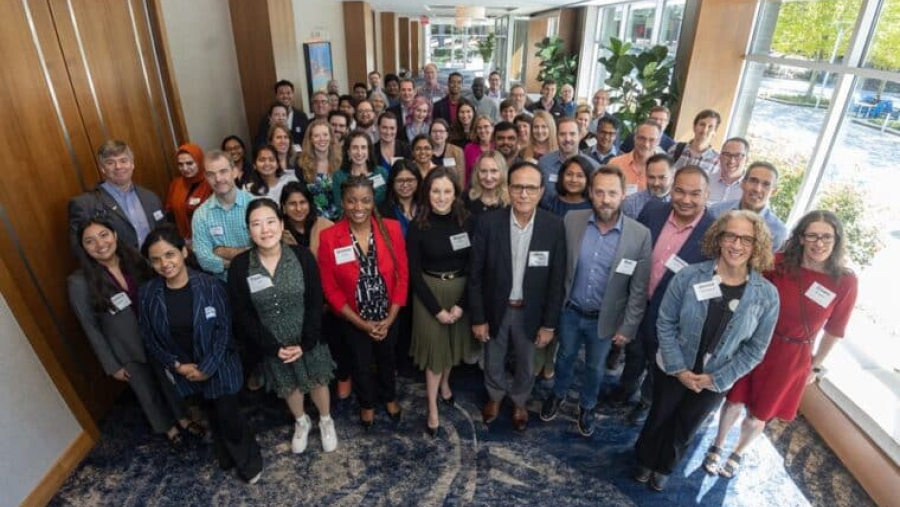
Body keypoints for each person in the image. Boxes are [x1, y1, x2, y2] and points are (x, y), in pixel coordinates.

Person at [705, 210, 857, 478]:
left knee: (760, 414)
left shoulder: (845, 281)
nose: (818, 243)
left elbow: (835, 330)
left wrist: (816, 365)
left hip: (794, 356)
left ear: (836, 240)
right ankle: (717, 445)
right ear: (800, 238)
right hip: (757, 343)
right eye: (812, 235)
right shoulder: (778, 263)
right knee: (734, 399)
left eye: (826, 237)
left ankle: (737, 452)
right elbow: (750, 298)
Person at [634, 210, 778, 492]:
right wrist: (678, 368)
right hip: (674, 368)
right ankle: (645, 459)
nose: (737, 245)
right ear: (719, 238)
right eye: (731, 236)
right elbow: (665, 321)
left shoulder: (767, 295)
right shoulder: (689, 275)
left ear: (756, 245)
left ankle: (664, 466)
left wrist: (717, 380)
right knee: (660, 415)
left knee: (687, 426)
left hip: (717, 378)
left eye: (746, 239)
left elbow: (756, 348)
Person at [139, 226, 263, 484]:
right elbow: (149, 336)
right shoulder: (147, 293)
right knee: (210, 413)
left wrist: (206, 366)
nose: (165, 263)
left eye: (170, 254)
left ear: (184, 252)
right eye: (156, 259)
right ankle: (225, 454)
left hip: (220, 365)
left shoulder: (212, 286)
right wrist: (177, 365)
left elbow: (225, 332)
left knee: (229, 416)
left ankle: (249, 462)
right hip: (185, 370)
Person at [540, 166, 652, 436]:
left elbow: (638, 289)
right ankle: (559, 393)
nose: (605, 198)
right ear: (590, 192)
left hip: (605, 318)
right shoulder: (572, 221)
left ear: (623, 195)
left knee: (595, 366)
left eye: (612, 193)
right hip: (570, 311)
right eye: (599, 191)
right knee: (564, 357)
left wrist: (628, 327)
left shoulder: (640, 235)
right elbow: (559, 268)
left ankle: (587, 405)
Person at [69, 218, 194, 448]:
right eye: (90, 241)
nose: (100, 244)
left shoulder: (136, 259)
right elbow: (90, 327)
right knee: (146, 389)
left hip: (154, 334)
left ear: (115, 235)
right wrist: (112, 365)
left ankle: (183, 418)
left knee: (169, 381)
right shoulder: (79, 282)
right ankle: (168, 427)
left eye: (104, 235)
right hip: (124, 346)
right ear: (84, 248)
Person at [228, 199, 338, 455]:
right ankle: (301, 421)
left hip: (307, 335)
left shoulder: (301, 256)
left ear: (280, 223)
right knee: (289, 384)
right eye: (256, 224)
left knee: (318, 380)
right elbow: (242, 313)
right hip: (271, 341)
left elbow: (315, 300)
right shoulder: (240, 266)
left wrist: (306, 342)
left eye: (270, 222)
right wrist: (272, 346)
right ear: (249, 230)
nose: (265, 230)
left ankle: (325, 420)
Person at [612, 166, 716, 424]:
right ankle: (625, 390)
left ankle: (646, 402)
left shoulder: (714, 232)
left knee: (658, 362)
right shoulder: (653, 211)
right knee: (634, 352)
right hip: (639, 302)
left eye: (695, 193)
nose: (686, 199)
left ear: (707, 194)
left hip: (674, 317)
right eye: (679, 191)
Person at [470, 161, 566, 432]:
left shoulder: (554, 227)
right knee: (493, 358)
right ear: (508, 189)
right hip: (496, 309)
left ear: (541, 191)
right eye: (518, 187)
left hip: (531, 311)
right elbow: (475, 276)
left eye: (531, 188)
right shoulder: (488, 224)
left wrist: (549, 324)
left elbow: (556, 281)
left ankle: (520, 401)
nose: (524, 194)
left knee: (527, 362)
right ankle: (495, 397)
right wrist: (478, 317)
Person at [318, 175, 409, 429]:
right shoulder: (329, 237)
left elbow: (402, 275)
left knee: (388, 359)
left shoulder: (390, 229)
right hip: (353, 317)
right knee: (360, 363)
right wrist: (361, 323)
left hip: (388, 312)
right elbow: (330, 287)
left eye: (365, 201)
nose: (359, 207)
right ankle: (367, 404)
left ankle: (389, 397)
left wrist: (390, 318)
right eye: (352, 201)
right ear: (343, 202)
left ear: (373, 201)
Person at [406, 167, 477, 437]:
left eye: (447, 191)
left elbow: (474, 266)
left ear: (455, 193)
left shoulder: (467, 220)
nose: (441, 197)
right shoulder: (417, 225)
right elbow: (414, 274)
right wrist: (436, 310)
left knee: (450, 347)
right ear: (427, 193)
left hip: (460, 291)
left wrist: (461, 305)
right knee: (435, 354)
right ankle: (432, 406)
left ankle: (446, 384)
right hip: (429, 294)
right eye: (436, 191)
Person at [68, 140, 167, 251]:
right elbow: (79, 248)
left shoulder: (151, 198)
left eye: (123, 161)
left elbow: (164, 235)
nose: (118, 167)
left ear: (132, 164)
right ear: (102, 168)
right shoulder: (85, 204)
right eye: (110, 163)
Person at [191, 150, 252, 281]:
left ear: (234, 172)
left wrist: (223, 252)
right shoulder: (200, 215)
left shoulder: (255, 205)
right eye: (211, 174)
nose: (218, 179)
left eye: (223, 171)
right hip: (223, 285)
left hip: (259, 281)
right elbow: (204, 258)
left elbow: (265, 250)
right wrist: (243, 258)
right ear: (206, 178)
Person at [709, 162, 788, 251]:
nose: (757, 189)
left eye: (766, 184)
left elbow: (767, 263)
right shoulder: (715, 212)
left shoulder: (777, 231)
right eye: (753, 181)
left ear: (774, 191)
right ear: (742, 184)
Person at [538, 118, 600, 207]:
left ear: (580, 136)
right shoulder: (544, 163)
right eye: (562, 134)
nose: (567, 139)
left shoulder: (594, 167)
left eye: (572, 134)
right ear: (556, 136)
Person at [332, 131, 390, 213]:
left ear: (369, 151)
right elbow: (340, 208)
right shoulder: (339, 176)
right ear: (348, 152)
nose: (359, 152)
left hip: (380, 220)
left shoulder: (382, 173)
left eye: (363, 147)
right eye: (355, 148)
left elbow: (389, 202)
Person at [296, 119, 343, 221]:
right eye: (316, 136)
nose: (322, 139)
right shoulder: (301, 165)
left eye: (325, 135)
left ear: (331, 137)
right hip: (313, 221)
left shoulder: (341, 163)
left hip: (340, 220)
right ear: (311, 140)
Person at [165, 143, 212, 242]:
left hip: (208, 238)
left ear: (199, 161)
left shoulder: (210, 183)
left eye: (190, 163)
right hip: (183, 239)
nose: (185, 168)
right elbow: (170, 212)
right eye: (180, 164)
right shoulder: (176, 184)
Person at [608, 120, 662, 196]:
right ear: (635, 138)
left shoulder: (665, 170)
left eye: (652, 140)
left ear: (659, 141)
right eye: (642, 138)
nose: (646, 144)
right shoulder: (615, 164)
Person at [280, 181, 334, 254]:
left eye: (302, 202)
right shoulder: (278, 232)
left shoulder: (325, 225)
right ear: (284, 207)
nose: (298, 208)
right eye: (292, 204)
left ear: (309, 204)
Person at [254, 80, 309, 147]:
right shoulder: (267, 118)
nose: (285, 96)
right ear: (276, 96)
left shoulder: (302, 116)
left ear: (293, 94)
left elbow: (307, 140)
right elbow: (260, 143)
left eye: (288, 93)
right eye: (281, 93)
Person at [622, 153, 674, 219]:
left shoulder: (680, 205)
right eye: (651, 177)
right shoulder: (630, 204)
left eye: (662, 177)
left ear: (673, 176)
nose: (656, 183)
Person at [378, 160, 422, 236]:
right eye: (400, 180)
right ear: (392, 182)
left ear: (418, 181)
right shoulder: (382, 211)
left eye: (410, 180)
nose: (405, 185)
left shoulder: (426, 207)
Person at [464, 151, 510, 218]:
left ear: (502, 172)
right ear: (477, 173)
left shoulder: (510, 202)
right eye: (483, 171)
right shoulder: (466, 199)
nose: (488, 177)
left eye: (494, 171)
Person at [708, 137, 750, 204]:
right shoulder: (706, 181)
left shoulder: (751, 189)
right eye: (727, 155)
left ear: (747, 159)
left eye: (738, 155)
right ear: (720, 157)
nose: (732, 161)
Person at [463, 115, 494, 185]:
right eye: (479, 128)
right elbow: (466, 173)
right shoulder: (469, 148)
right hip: (474, 189)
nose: (482, 130)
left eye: (486, 127)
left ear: (492, 128)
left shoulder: (498, 147)